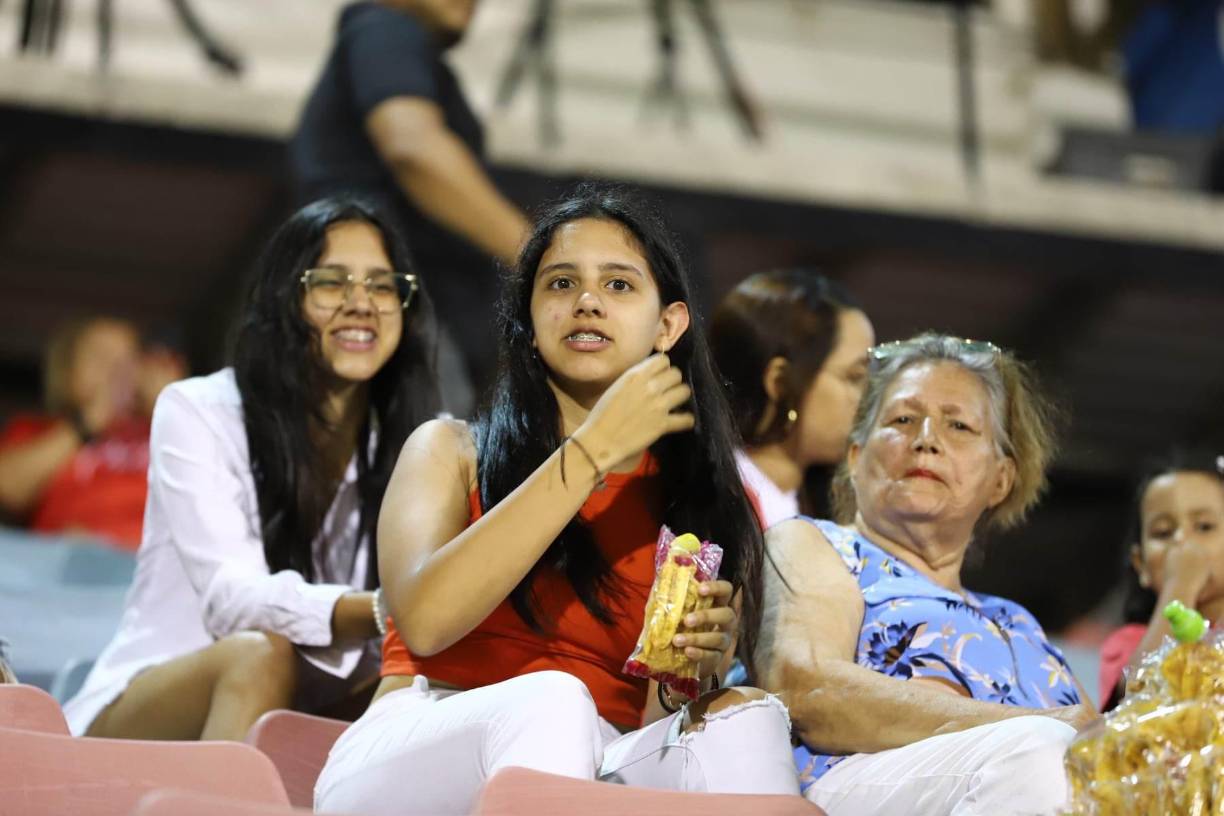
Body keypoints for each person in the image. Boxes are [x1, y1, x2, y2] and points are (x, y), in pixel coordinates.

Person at [314, 186, 799, 816]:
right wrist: (592, 452)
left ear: (668, 326)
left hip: (594, 759)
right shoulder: (449, 450)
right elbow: (426, 624)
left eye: (618, 285)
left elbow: (655, 722)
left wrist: (693, 671)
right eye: (562, 284)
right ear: (529, 319)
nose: (588, 302)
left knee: (747, 718)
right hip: (416, 741)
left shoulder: (705, 502)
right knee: (554, 700)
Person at [61, 196, 439, 740]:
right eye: (331, 283)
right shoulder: (199, 410)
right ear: (286, 298)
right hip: (150, 706)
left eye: (382, 286)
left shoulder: (422, 444)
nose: (361, 303)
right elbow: (231, 597)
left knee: (427, 684)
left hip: (301, 712)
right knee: (260, 654)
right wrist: (388, 609)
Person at [755, 333, 1099, 816]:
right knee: (1043, 751)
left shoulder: (1020, 623)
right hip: (854, 784)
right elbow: (806, 689)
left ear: (1000, 479)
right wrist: (1035, 725)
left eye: (958, 425)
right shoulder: (816, 545)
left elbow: (1099, 741)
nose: (926, 439)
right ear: (855, 457)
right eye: (902, 419)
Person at [290, 0, 529, 406]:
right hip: (394, 324)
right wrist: (539, 254)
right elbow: (412, 147)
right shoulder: (385, 30)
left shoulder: (390, 45)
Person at [0, 317, 185, 550]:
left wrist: (176, 408)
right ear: (67, 371)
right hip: (58, 560)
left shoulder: (167, 432)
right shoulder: (39, 430)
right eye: (101, 357)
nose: (118, 371)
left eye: (129, 359)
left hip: (147, 559)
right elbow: (8, 491)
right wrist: (88, 421)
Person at [710, 270, 874, 527]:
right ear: (780, 382)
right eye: (855, 377)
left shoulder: (824, 506)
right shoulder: (711, 507)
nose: (869, 397)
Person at [1098, 450, 1224, 711]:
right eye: (1163, 532)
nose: (1182, 541)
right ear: (1141, 565)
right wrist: (1180, 586)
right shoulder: (1127, 644)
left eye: (1204, 526)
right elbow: (1137, 700)